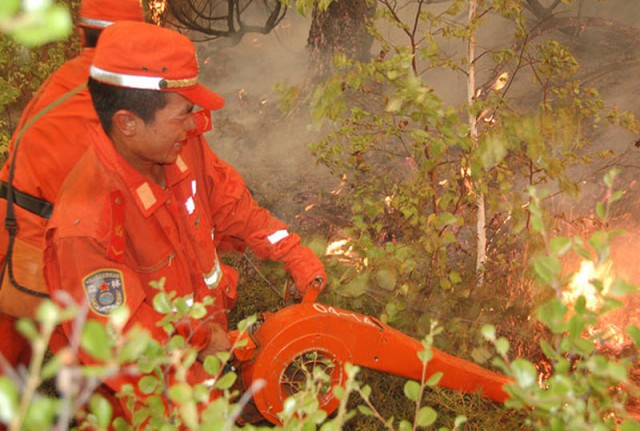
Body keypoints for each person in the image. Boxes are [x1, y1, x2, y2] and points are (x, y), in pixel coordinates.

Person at [43, 20, 327, 418]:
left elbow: (234, 208)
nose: (194, 124)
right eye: (183, 114)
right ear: (127, 122)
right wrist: (199, 355)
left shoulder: (181, 146)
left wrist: (292, 252)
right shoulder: (88, 227)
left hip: (206, 368)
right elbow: (132, 354)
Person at [0, 0, 147, 371]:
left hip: (14, 232)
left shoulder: (73, 76)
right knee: (100, 372)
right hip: (32, 249)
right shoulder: (110, 95)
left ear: (83, 32)